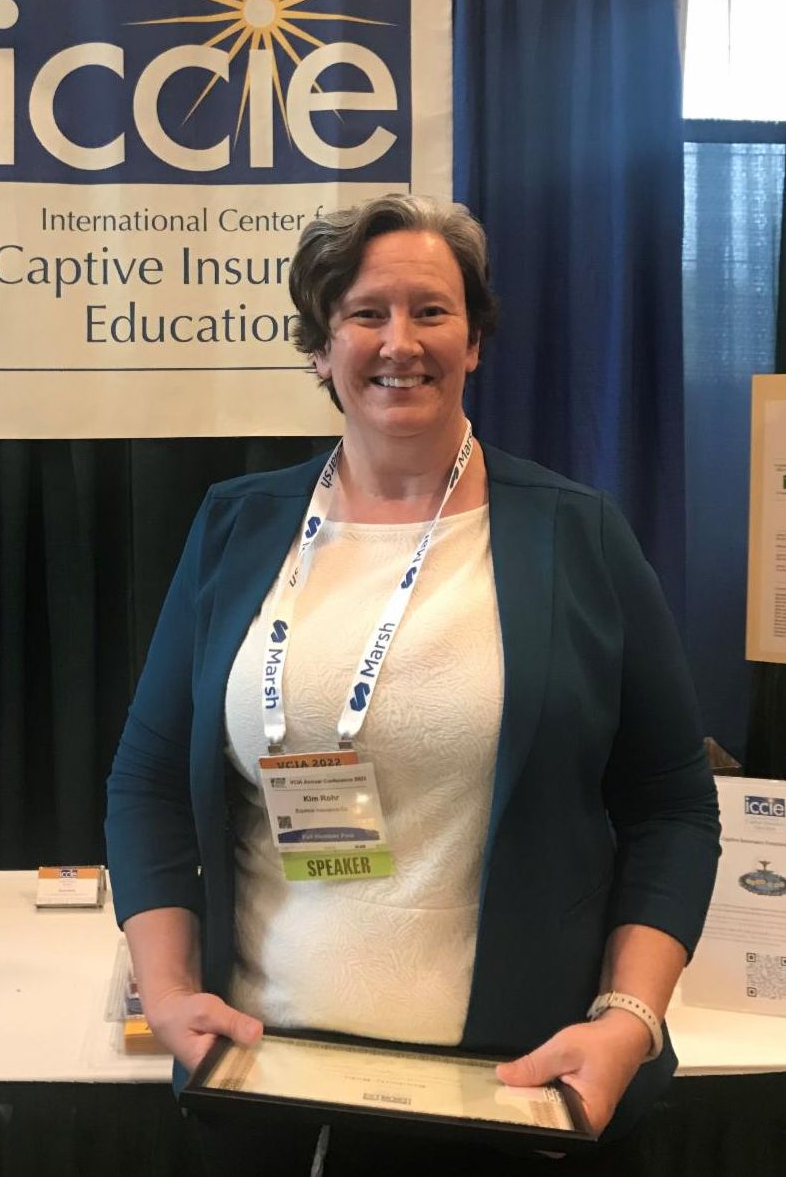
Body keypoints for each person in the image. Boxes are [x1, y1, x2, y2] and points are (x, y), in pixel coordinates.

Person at [106, 194, 719, 1174]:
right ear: (320, 348)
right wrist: (169, 990)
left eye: (431, 310)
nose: (400, 341)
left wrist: (628, 1018)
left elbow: (671, 807)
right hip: (262, 1078)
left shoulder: (577, 536)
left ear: (473, 340)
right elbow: (146, 783)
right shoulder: (235, 525)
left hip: (510, 1087)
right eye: (366, 313)